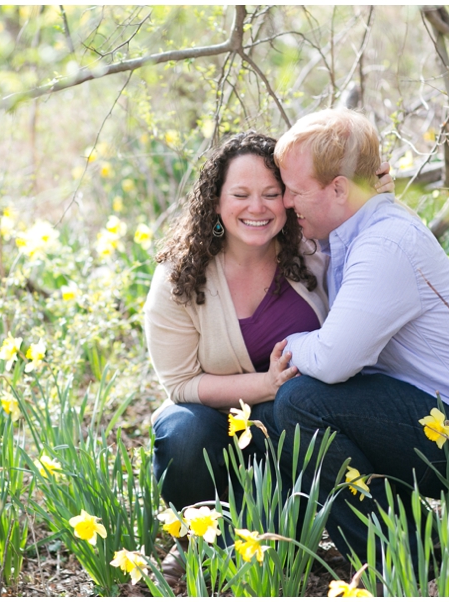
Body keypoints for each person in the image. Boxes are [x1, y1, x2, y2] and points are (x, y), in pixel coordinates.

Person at [270, 108, 449, 572]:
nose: (287, 202)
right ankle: (413, 544)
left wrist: (290, 343)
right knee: (311, 401)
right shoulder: (357, 230)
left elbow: (333, 361)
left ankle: (401, 561)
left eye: (294, 190)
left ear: (337, 189)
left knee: (301, 402)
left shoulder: (384, 244)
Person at [143, 131, 393, 584]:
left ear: (289, 198)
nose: (256, 208)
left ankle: (302, 539)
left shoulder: (312, 250)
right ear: (215, 203)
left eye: (271, 194)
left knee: (298, 408)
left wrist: (369, 191)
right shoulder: (179, 275)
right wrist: (265, 385)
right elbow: (179, 384)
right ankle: (202, 545)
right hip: (217, 428)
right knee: (182, 430)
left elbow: (362, 226)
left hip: (292, 426)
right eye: (240, 194)